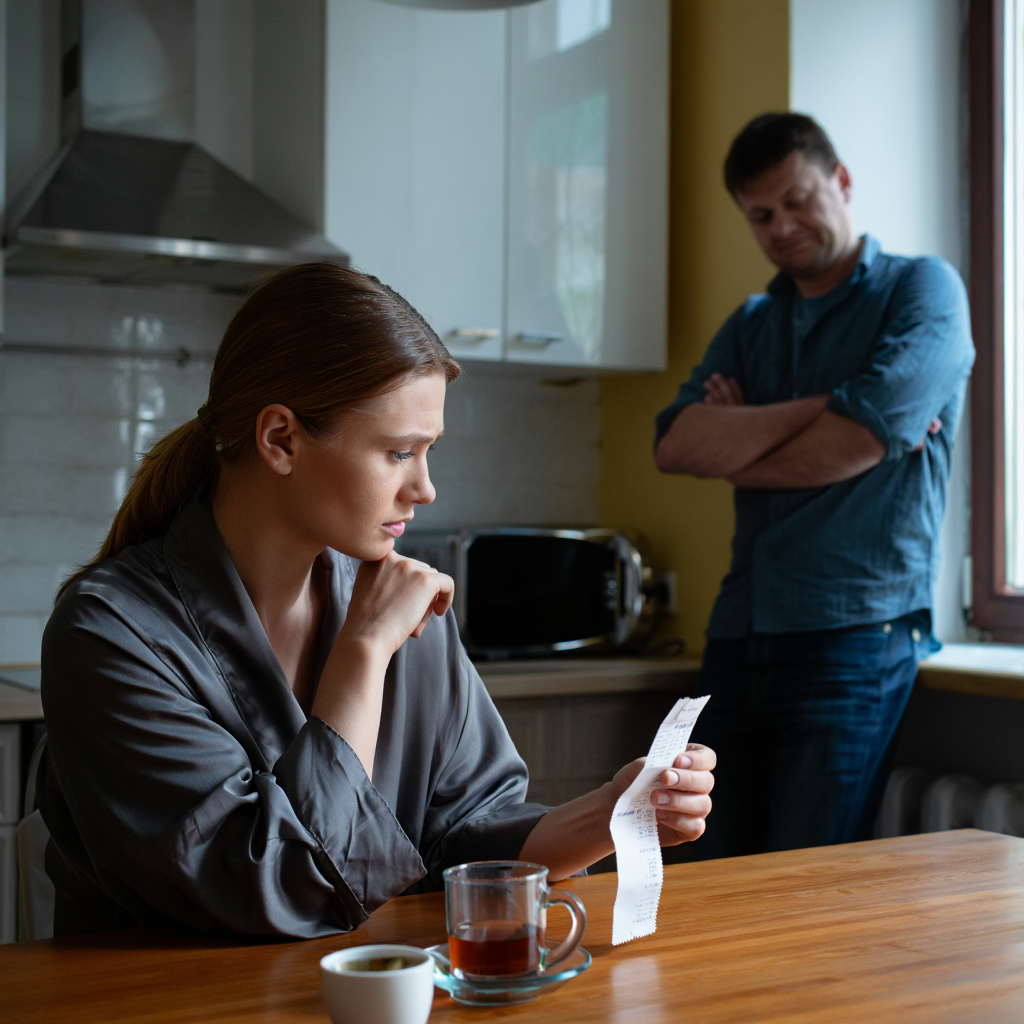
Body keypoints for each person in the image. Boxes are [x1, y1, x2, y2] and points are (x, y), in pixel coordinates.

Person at [37, 263, 715, 938]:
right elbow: (270, 890)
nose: (426, 489)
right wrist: (362, 653)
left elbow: (469, 840)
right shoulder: (110, 635)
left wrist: (616, 809)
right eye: (399, 453)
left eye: (429, 452)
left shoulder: (408, 611)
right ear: (281, 440)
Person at [654, 114, 974, 860]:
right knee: (702, 874)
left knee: (803, 880)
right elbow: (675, 445)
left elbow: (865, 433)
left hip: (855, 635)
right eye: (761, 215)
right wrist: (833, 405)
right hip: (738, 636)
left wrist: (739, 444)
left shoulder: (923, 288)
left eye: (797, 201)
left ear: (842, 182)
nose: (782, 226)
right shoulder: (753, 322)